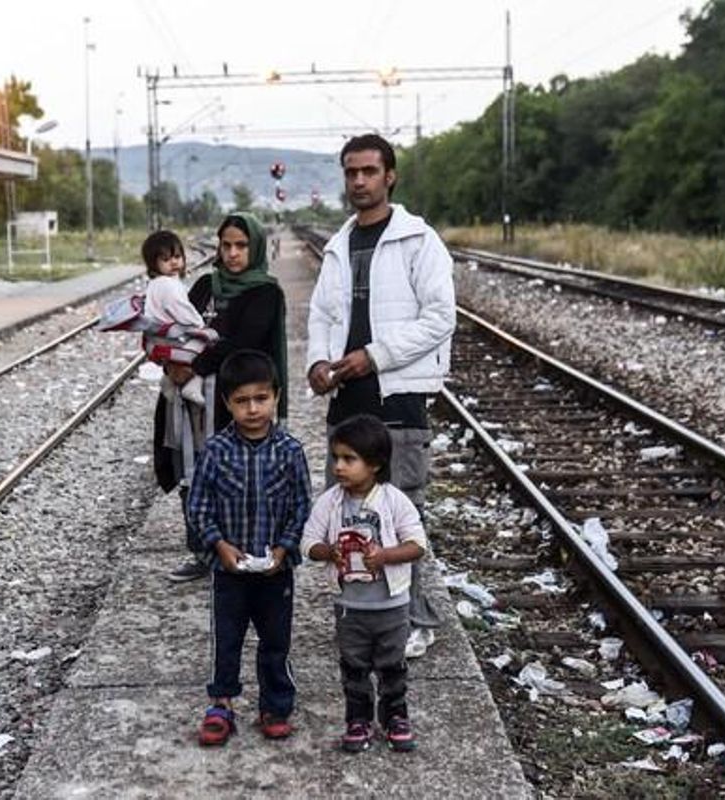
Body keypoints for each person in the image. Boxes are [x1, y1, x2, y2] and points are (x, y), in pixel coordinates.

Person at [305, 133, 455, 634]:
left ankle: (415, 622)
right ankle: (365, 616)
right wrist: (318, 363)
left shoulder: (419, 240)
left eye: (369, 171)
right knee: (346, 518)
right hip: (346, 405)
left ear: (389, 175)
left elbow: (440, 318)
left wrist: (374, 356)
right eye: (351, 172)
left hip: (399, 400)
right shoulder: (338, 245)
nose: (359, 181)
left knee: (404, 516)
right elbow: (322, 315)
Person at [154, 212, 290, 583]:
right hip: (190, 403)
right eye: (226, 245)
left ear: (255, 247)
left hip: (234, 402)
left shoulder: (265, 292)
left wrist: (192, 365)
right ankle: (201, 551)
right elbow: (174, 328)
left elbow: (243, 342)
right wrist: (171, 363)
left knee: (236, 475)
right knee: (192, 472)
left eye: (241, 245)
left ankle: (242, 549)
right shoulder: (202, 286)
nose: (232, 253)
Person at [187, 349, 311, 746]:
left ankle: (275, 705)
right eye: (241, 401)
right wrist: (219, 545)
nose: (253, 409)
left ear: (276, 396)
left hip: (277, 571)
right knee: (227, 638)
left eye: (261, 398)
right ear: (226, 403)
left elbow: (302, 507)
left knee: (276, 641)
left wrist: (283, 549)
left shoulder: (290, 452)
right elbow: (199, 507)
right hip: (229, 571)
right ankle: (221, 703)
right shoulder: (215, 452)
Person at [301, 414, 426, 753]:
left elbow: (418, 544)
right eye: (336, 458)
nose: (338, 466)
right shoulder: (330, 502)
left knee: (392, 667)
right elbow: (308, 542)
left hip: (391, 605)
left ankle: (395, 717)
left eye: (348, 459)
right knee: (353, 668)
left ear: (374, 464)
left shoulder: (393, 500)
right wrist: (329, 552)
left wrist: (385, 556)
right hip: (350, 607)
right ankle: (357, 719)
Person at [140, 229, 215, 406]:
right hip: (170, 341)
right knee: (209, 345)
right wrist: (201, 326)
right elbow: (183, 312)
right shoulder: (168, 286)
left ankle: (170, 382)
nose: (173, 262)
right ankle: (193, 385)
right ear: (153, 264)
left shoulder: (157, 284)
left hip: (158, 340)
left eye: (177, 256)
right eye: (165, 259)